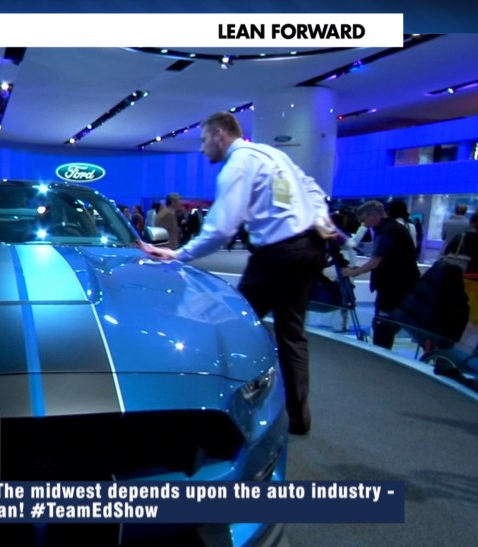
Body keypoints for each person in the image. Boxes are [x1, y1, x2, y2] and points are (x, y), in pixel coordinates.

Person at [139, 111, 334, 436]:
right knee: (292, 335)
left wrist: (179, 254)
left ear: (219, 135)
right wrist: (321, 220)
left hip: (277, 255)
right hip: (309, 249)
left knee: (231, 326)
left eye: (203, 140)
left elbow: (221, 228)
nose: (202, 148)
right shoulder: (273, 155)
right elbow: (313, 189)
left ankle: (214, 412)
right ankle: (299, 418)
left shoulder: (238, 165)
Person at [342, 200, 421, 350]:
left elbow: (376, 261)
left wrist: (353, 272)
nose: (364, 224)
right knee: (387, 324)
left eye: (364, 220)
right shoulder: (392, 227)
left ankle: (381, 357)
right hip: (400, 285)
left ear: (373, 215)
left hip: (394, 287)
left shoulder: (386, 230)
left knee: (382, 326)